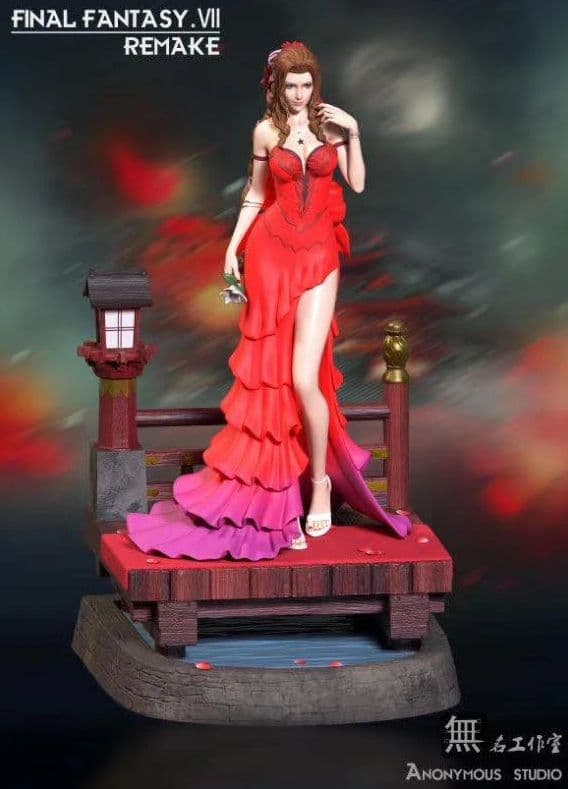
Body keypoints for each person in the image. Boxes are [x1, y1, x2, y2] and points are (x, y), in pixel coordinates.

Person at [126, 41, 412, 561]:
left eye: (307, 84)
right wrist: (232, 246)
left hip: (320, 254)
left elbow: (357, 184)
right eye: (291, 85)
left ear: (315, 85)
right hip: (271, 253)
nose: (300, 93)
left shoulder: (331, 127)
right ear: (277, 87)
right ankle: (279, 497)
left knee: (304, 377)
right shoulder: (264, 131)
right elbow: (257, 195)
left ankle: (320, 482)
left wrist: (354, 132)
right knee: (274, 375)